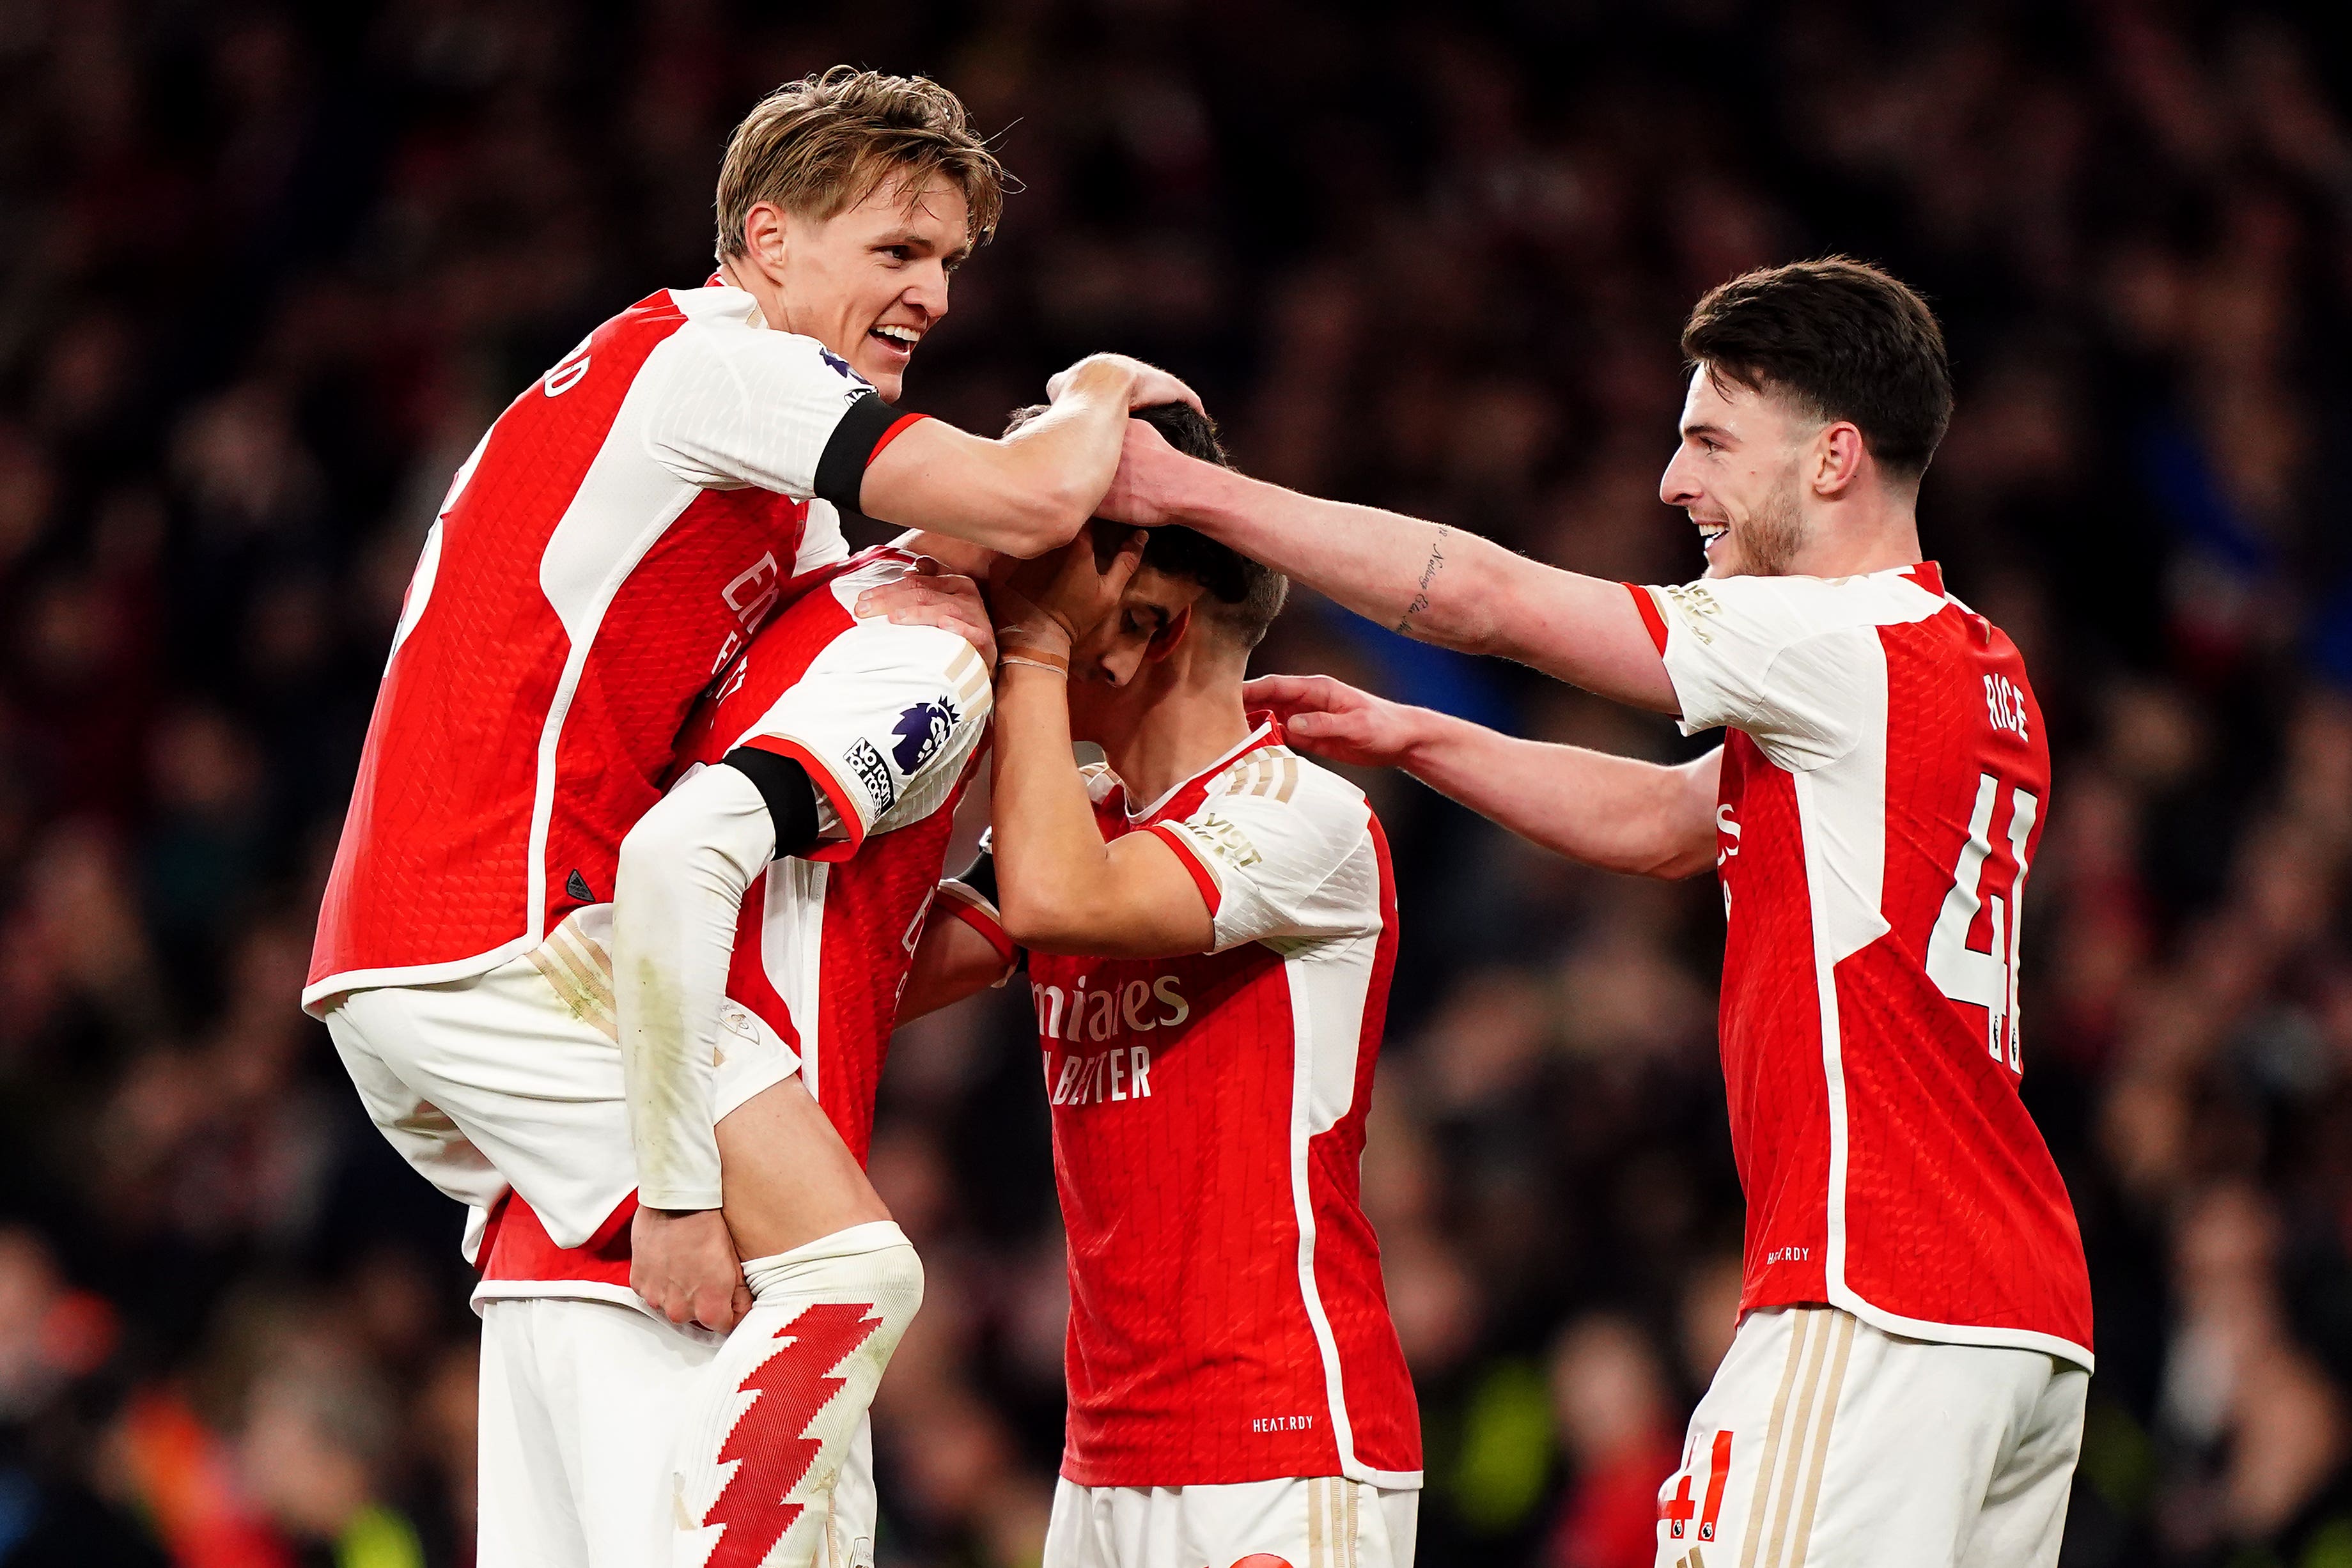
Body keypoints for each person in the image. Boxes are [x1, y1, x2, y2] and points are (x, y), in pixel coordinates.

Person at [1096, 259, 2092, 1567]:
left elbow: (1488, 600)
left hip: (1874, 1292)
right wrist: (1419, 738)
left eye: (1709, 441)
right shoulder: (1971, 663)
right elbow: (1679, 824)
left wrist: (1181, 489)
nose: (1675, 483)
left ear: (1834, 458)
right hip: (2023, 1321)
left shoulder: (1823, 641)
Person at [301, 66, 1195, 1321]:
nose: (933, 295)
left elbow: (828, 917)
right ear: (767, 242)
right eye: (899, 248)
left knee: (655, 1358)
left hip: (436, 952)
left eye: (945, 262)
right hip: (502, 937)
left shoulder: (762, 492)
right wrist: (1101, 386)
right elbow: (1027, 501)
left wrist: (1011, 877)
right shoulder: (717, 364)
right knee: (846, 1284)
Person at [875, 405, 1422, 1568]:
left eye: (1044, 584)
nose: (1013, 612)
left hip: (1280, 1449)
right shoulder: (1088, 827)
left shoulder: (1299, 816)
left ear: (1147, 622)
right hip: (1105, 1465)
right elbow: (878, 976)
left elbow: (1059, 904)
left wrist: (1026, 657)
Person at [462, 535, 995, 1568]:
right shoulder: (936, 653)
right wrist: (675, 1190)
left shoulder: (779, 614)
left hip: (554, 1239)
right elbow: (679, 855)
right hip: (715, 1262)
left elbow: (814, 955)